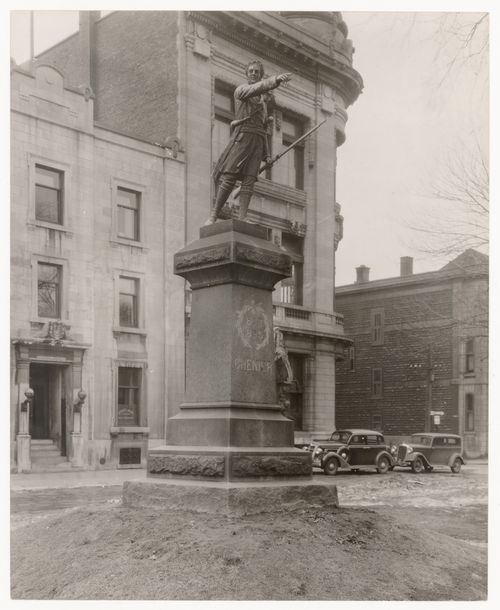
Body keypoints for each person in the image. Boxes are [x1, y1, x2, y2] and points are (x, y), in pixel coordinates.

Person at [205, 60, 292, 224]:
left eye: (256, 72)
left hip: (257, 143)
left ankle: (242, 218)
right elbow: (256, 88)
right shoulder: (242, 91)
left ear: (260, 75)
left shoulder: (263, 105)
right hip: (242, 139)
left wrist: (266, 156)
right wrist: (275, 80)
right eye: (251, 71)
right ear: (247, 74)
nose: (253, 73)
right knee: (229, 177)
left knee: (249, 181)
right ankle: (213, 215)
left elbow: (263, 131)